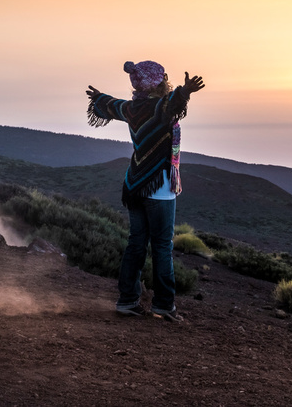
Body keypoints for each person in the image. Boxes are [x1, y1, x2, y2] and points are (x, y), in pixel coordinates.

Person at [86, 60, 205, 322]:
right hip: (159, 188)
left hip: (134, 184)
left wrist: (98, 98)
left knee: (136, 243)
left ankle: (127, 301)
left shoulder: (131, 108)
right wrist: (184, 92)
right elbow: (172, 104)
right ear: (159, 80)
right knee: (162, 246)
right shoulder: (160, 107)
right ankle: (164, 305)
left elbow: (110, 105)